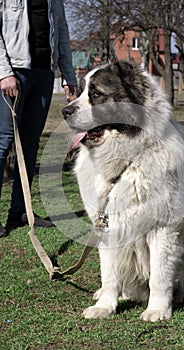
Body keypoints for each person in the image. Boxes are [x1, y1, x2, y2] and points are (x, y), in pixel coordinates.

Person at [0, 0, 77, 237]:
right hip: (14, 72)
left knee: (30, 144)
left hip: (44, 73)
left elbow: (61, 31)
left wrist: (68, 76)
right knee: (3, 141)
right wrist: (4, 73)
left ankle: (20, 212)